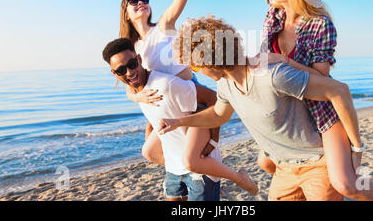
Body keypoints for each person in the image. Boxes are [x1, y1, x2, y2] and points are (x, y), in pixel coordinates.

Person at [214, 0, 373, 200]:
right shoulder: (276, 8)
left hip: (319, 114)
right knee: (266, 163)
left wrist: (281, 60)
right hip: (284, 111)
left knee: (346, 184)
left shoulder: (320, 25)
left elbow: (324, 81)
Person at [158, 16, 373, 201]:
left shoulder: (272, 75)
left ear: (210, 60)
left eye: (197, 65)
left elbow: (338, 90)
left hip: (317, 164)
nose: (196, 71)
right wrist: (179, 122)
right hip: (284, 170)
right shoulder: (226, 86)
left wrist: (356, 146)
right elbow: (219, 115)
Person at [103, 38, 258, 200]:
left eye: (132, 64)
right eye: (121, 70)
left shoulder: (166, 84)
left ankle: (238, 177)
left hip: (200, 166)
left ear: (140, 60)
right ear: (114, 73)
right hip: (173, 168)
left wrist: (214, 139)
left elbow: (214, 98)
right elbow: (157, 113)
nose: (129, 72)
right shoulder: (136, 92)